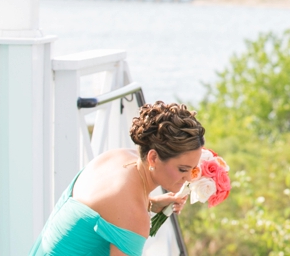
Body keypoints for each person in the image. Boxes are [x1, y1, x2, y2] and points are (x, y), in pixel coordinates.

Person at [30, 102, 205, 256]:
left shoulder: (116, 157)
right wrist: (141, 209)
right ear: (153, 158)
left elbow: (105, 206)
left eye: (194, 169)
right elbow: (125, 211)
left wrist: (150, 204)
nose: (189, 177)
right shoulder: (134, 215)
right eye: (183, 169)